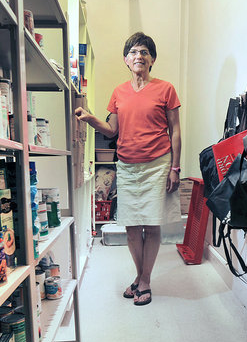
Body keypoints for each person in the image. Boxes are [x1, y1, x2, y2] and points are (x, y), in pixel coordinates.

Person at [74, 31, 181, 306]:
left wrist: (175, 168)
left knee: (151, 224)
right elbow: (111, 130)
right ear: (126, 59)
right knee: (132, 226)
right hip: (128, 165)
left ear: (152, 59)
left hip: (158, 164)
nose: (139, 56)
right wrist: (90, 119)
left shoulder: (165, 89)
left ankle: (144, 281)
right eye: (134, 52)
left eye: (145, 52)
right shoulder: (119, 92)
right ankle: (141, 276)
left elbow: (176, 131)